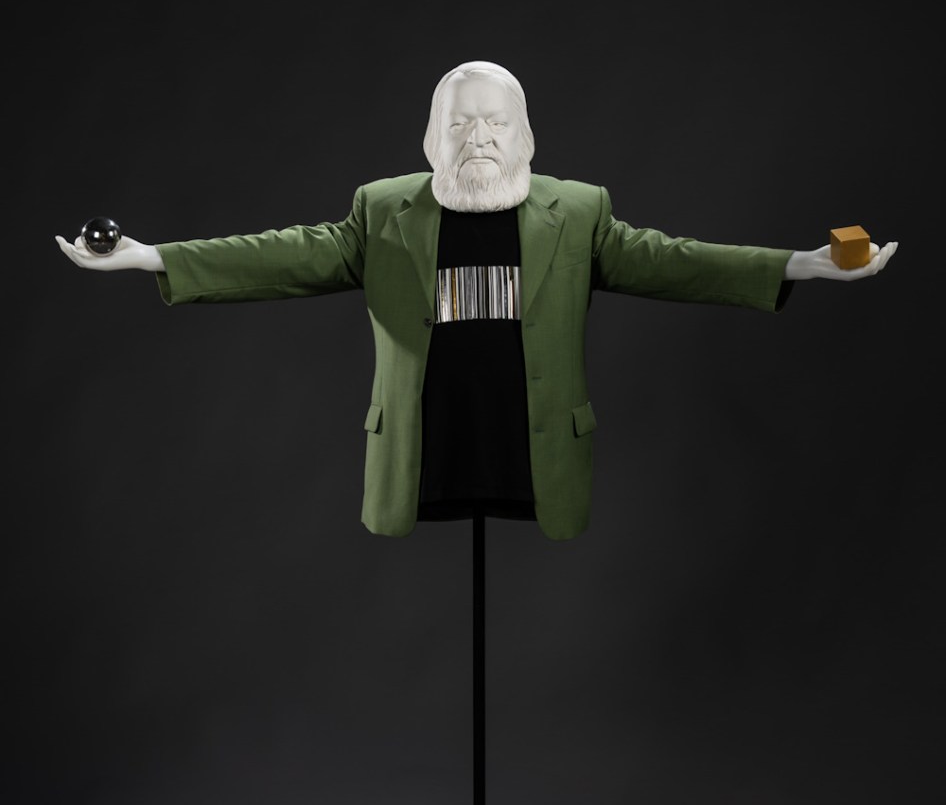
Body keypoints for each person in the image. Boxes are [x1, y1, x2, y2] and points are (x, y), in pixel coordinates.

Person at [55, 60, 898, 541]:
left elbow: (672, 262)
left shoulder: (580, 211)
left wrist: (798, 266)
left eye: (496, 123)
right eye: (461, 124)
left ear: (524, 135)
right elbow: (286, 253)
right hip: (428, 452)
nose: (480, 138)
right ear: (434, 136)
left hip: (530, 451)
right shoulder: (382, 209)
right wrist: (153, 257)